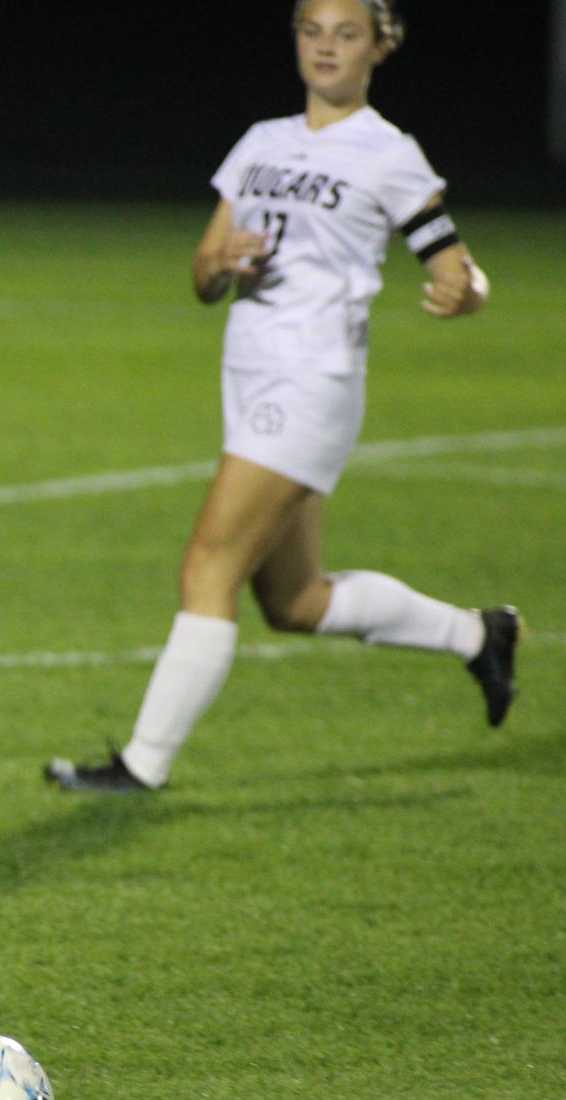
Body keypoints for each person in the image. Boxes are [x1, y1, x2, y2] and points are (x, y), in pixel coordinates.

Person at [46, 0, 516, 795]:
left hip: (311, 382)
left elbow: (454, 266)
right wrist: (222, 262)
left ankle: (141, 765)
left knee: (206, 565)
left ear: (378, 48)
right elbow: (201, 276)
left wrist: (464, 293)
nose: (324, 47)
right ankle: (478, 635)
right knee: (294, 601)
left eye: (344, 33)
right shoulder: (260, 144)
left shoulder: (386, 153)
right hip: (249, 380)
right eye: (310, 30)